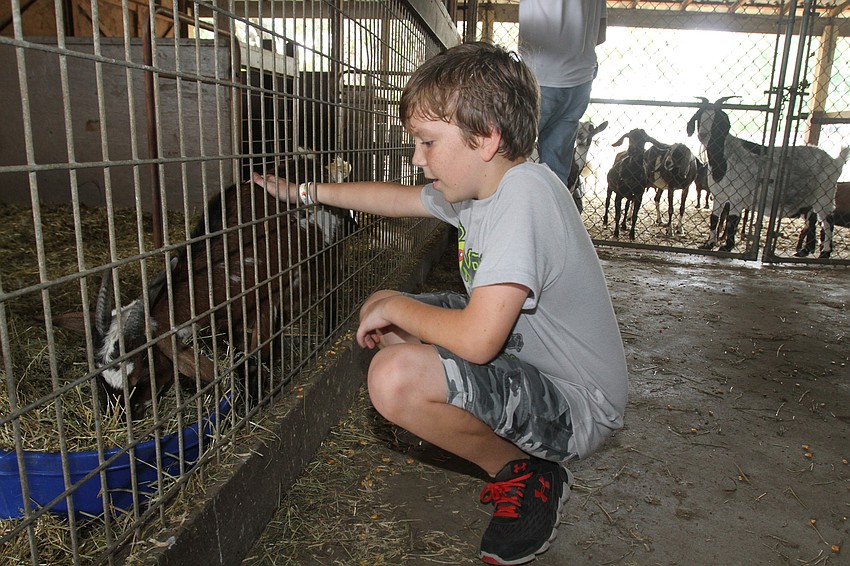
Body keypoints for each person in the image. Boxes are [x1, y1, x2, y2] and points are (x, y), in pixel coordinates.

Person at [254, 42, 627, 566]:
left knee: (394, 375)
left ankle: (525, 476)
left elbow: (478, 340)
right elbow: (392, 198)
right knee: (391, 337)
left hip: (578, 405)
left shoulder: (524, 199)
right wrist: (303, 193)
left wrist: (393, 303)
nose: (416, 157)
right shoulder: (482, 187)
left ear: (487, 137)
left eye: (427, 142)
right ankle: (520, 460)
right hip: (529, 358)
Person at [519, 0, 607, 211]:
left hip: (538, 74)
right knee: (556, 169)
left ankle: (509, 227)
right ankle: (548, 230)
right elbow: (600, 35)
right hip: (579, 79)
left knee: (510, 156)